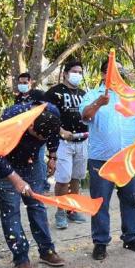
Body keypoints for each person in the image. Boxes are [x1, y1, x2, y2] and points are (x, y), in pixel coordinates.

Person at [0, 94, 65, 268]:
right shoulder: (11, 118)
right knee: (11, 211)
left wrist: (52, 157)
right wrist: (15, 179)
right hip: (4, 164)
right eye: (37, 136)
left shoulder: (51, 112)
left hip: (32, 162)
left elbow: (53, 135)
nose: (40, 140)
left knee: (37, 204)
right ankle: (21, 257)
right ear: (30, 125)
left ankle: (47, 250)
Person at [80, 59, 135, 260]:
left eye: (120, 71)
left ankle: (131, 237)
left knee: (130, 199)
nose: (117, 75)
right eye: (113, 71)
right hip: (101, 161)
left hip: (128, 161)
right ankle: (100, 242)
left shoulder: (134, 97)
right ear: (104, 74)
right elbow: (85, 116)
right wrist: (99, 103)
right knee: (100, 202)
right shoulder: (92, 95)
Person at [45, 60, 89, 229]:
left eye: (80, 72)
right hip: (63, 143)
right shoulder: (53, 93)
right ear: (65, 73)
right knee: (63, 179)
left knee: (76, 178)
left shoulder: (84, 94)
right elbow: (47, 117)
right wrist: (61, 131)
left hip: (82, 141)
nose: (78, 75)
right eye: (75, 71)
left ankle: (72, 209)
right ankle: (60, 212)